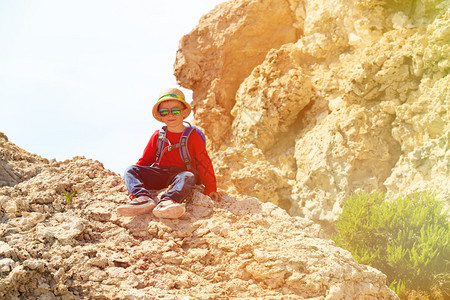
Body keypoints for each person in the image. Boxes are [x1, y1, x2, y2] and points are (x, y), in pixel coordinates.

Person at [118, 88, 220, 219]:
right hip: (159, 173)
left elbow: (203, 162)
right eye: (165, 112)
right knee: (131, 170)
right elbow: (144, 161)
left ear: (183, 113)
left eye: (175, 111)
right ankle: (142, 198)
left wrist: (211, 188)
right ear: (160, 116)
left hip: (181, 174)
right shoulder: (157, 136)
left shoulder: (193, 136)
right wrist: (134, 179)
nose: (170, 115)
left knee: (188, 176)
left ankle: (168, 201)